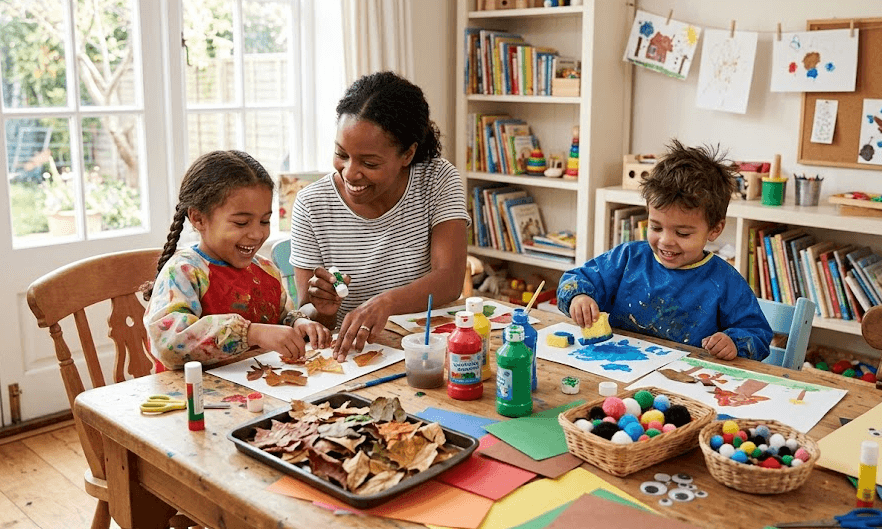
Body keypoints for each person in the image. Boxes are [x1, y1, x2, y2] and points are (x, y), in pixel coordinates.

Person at [290, 71, 470, 360]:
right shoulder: (312, 204)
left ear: (408, 155)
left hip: (426, 351)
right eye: (341, 154)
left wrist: (386, 302)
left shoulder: (437, 179)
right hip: (353, 360)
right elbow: (309, 317)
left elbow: (450, 280)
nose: (350, 172)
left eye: (369, 162)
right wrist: (323, 310)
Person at [557, 140, 773, 361]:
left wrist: (734, 343)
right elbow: (575, 279)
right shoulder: (628, 259)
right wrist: (579, 297)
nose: (666, 241)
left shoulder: (724, 280)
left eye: (682, 233)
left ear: (715, 229)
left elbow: (757, 333)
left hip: (685, 380)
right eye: (656, 227)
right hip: (619, 366)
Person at [143, 150, 330, 369]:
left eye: (265, 221)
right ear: (198, 218)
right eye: (241, 223)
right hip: (194, 396)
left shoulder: (267, 271)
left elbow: (279, 318)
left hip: (258, 392)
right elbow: (169, 343)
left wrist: (298, 323)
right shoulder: (184, 272)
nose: (257, 234)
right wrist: (250, 333)